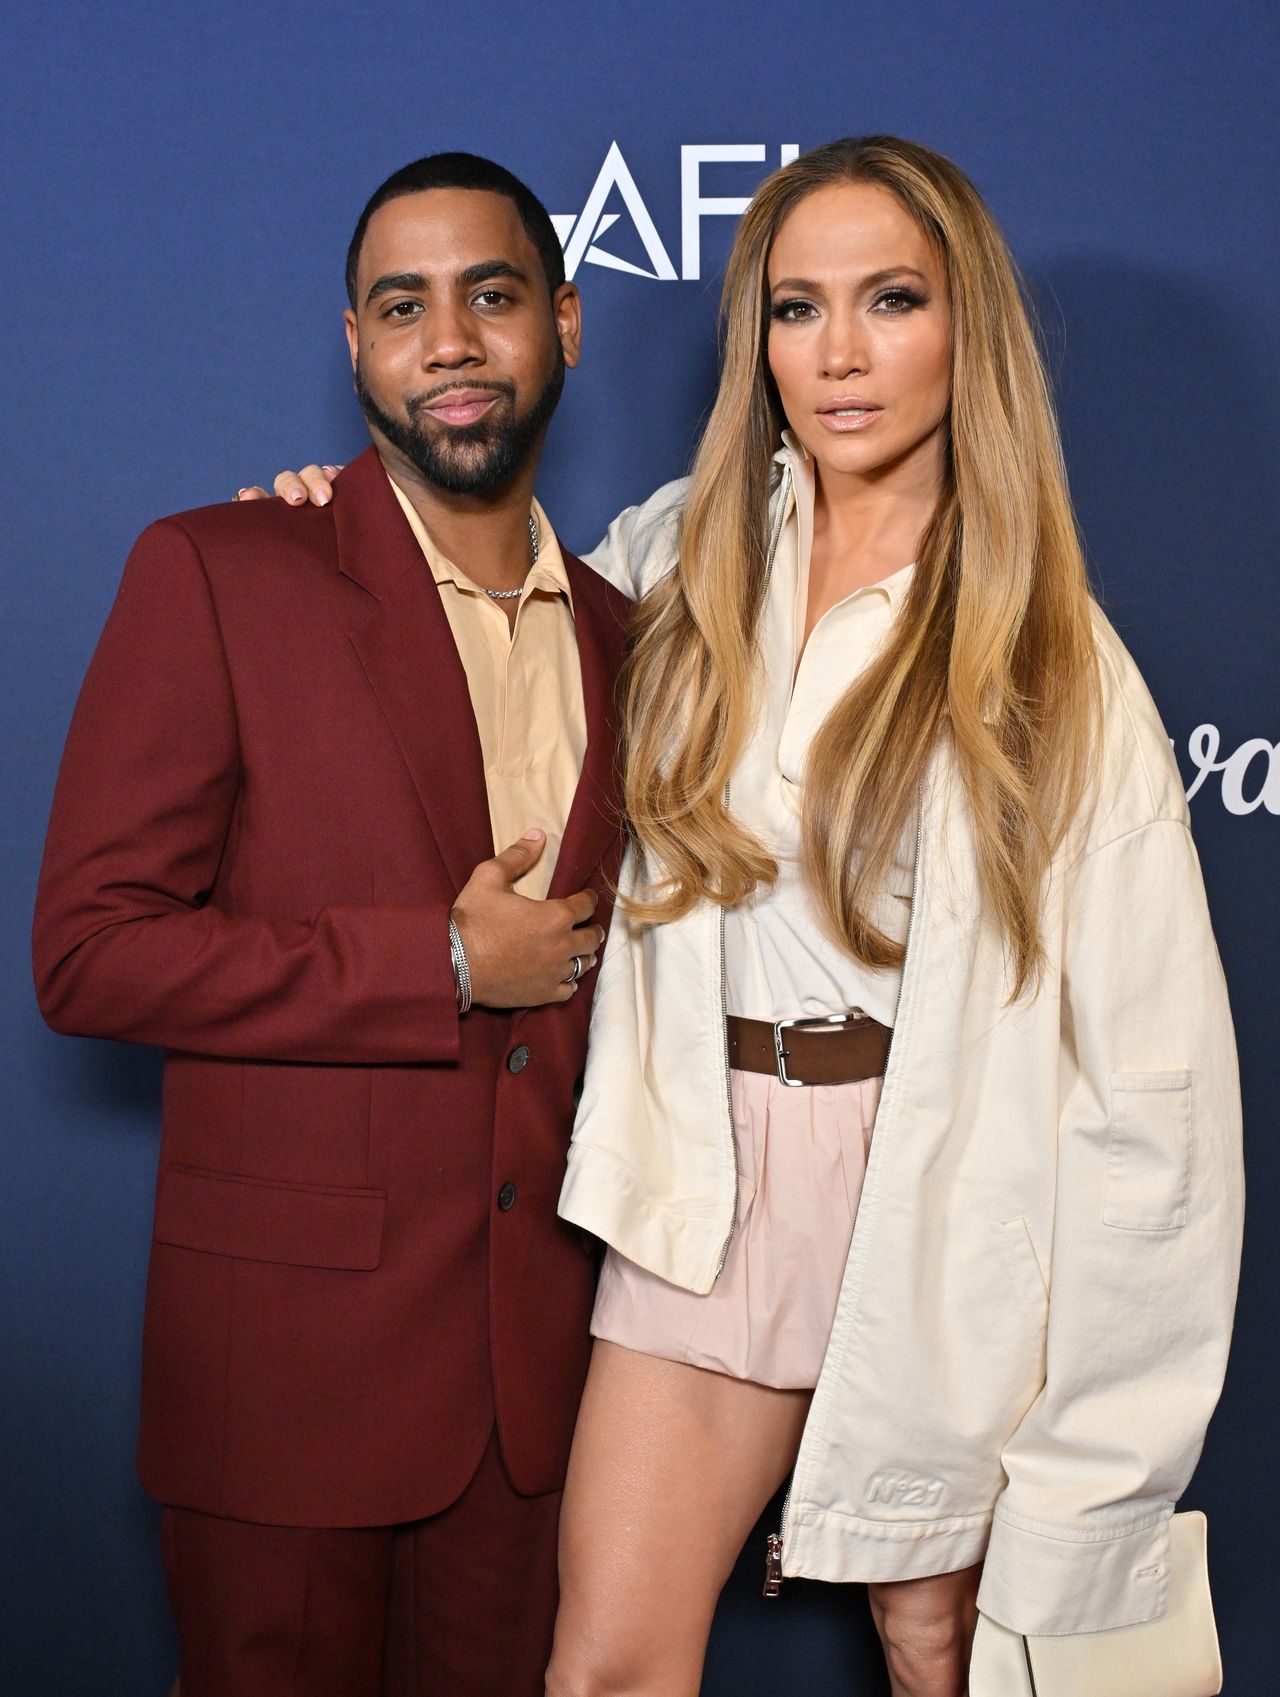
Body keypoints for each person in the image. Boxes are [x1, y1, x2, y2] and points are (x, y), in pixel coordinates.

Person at [255, 136, 1243, 1697]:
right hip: (701, 1187)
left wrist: (1101, 1452)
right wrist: (328, 532)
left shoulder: (1054, 662)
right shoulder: (677, 558)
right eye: (797, 308)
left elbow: (1156, 1102)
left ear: (965, 329)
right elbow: (478, 623)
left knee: (947, 1657)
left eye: (892, 299)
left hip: (938, 1207)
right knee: (602, 1672)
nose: (839, 354)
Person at [33, 152, 629, 1697]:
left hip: (542, 1385)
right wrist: (434, 961)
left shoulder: (642, 637)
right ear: (353, 345)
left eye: (491, 297)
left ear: (561, 322)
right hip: (285, 1375)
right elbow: (89, 949)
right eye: (401, 306)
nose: (448, 341)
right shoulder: (221, 571)